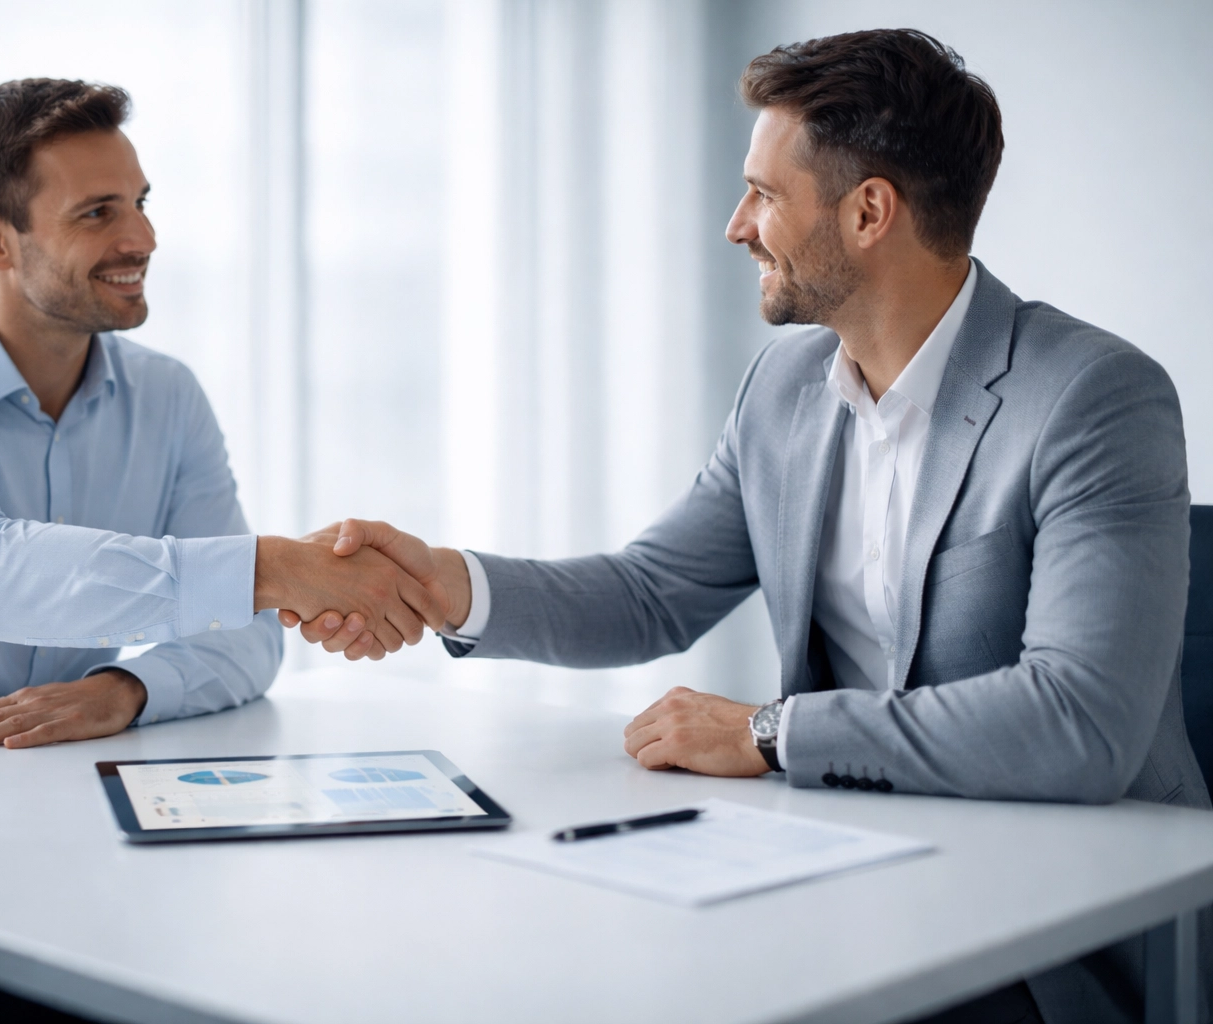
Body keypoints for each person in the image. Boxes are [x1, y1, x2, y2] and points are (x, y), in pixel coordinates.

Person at [286, 29, 1210, 1024]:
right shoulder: (785, 387)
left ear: (868, 212)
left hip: (1059, 925)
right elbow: (651, 591)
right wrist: (441, 581)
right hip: (848, 876)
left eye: (764, 193)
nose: (736, 224)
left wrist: (768, 732)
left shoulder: (1092, 397)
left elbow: (1078, 725)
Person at [0, 78, 443, 1024]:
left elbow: (248, 643)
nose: (143, 239)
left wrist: (127, 691)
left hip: (66, 812)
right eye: (98, 212)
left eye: (142, 203)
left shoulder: (168, 398)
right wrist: (269, 568)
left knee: (261, 962)